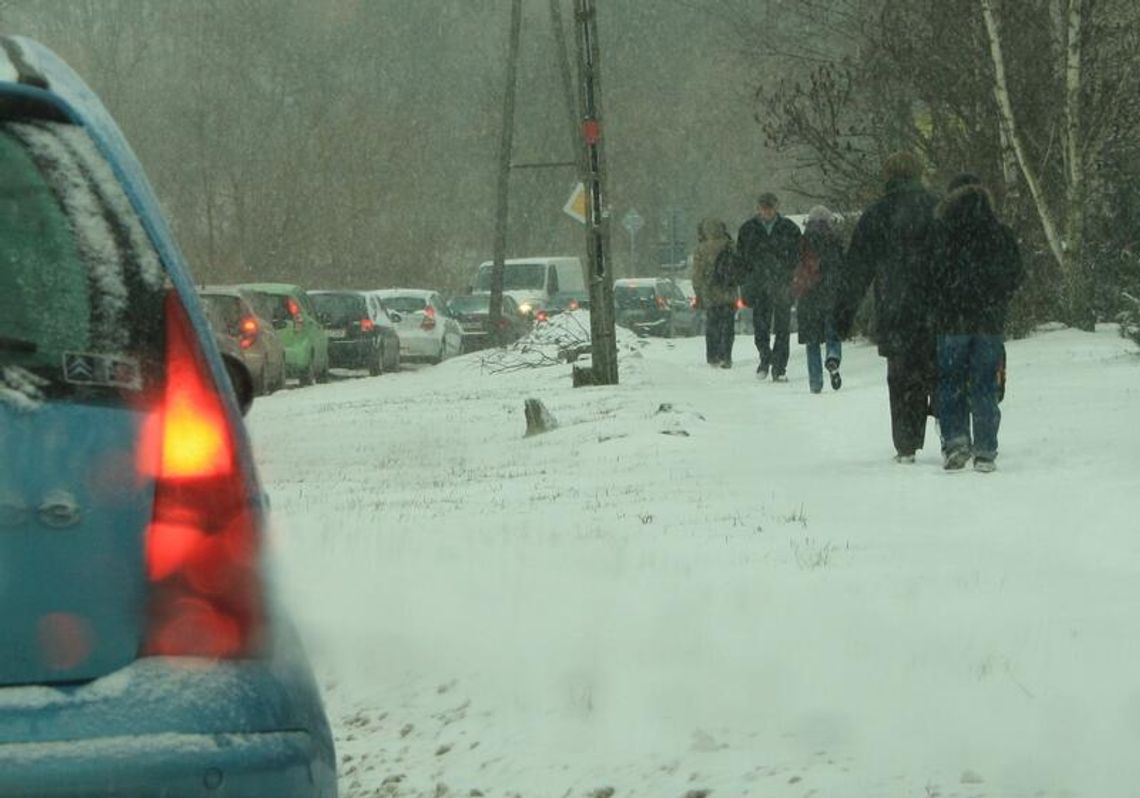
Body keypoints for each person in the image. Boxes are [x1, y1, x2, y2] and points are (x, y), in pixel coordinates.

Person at [834, 152, 939, 463]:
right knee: (938, 370)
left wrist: (843, 314)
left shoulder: (877, 214)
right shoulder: (936, 208)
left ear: (888, 176)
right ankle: (951, 432)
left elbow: (857, 268)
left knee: (902, 376)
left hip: (895, 306)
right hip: (935, 306)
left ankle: (906, 444)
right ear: (918, 173)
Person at [929, 173, 1024, 472]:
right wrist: (997, 297)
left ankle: (956, 442)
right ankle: (985, 450)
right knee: (984, 385)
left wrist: (942, 300)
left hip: (952, 321)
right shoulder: (999, 233)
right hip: (988, 322)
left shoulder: (942, 232)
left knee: (951, 383)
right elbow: (1016, 274)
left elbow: (929, 275)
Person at [737, 192, 802, 381]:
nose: (767, 212)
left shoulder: (789, 228)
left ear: (776, 207)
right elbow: (741, 258)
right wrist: (746, 280)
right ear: (758, 209)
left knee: (782, 327)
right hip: (758, 285)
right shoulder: (748, 229)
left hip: (782, 283)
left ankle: (779, 368)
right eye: (763, 208)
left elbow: (797, 255)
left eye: (770, 208)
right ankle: (765, 357)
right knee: (761, 327)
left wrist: (789, 274)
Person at [793, 205, 845, 393]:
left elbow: (794, 267)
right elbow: (841, 268)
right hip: (831, 295)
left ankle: (815, 382)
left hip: (808, 296)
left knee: (812, 341)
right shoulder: (834, 240)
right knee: (833, 332)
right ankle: (833, 356)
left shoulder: (802, 242)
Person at [691, 218, 740, 368]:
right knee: (728, 325)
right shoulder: (731, 245)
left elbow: (697, 274)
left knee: (713, 325)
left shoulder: (701, 249)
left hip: (710, 293)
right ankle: (727, 355)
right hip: (729, 292)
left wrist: (698, 292)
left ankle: (713, 356)